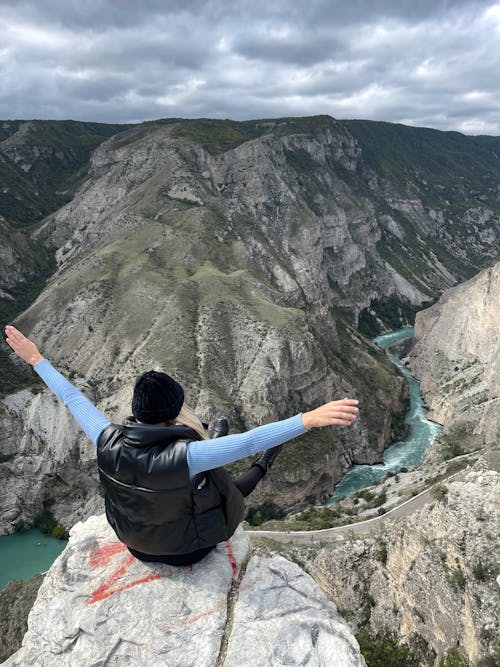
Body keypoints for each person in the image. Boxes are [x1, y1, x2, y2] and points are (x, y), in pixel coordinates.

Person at [4, 324, 359, 566]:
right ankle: (261, 462)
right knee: (223, 481)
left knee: (210, 459)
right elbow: (249, 441)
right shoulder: (187, 455)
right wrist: (307, 420)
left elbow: (72, 399)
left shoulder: (106, 437)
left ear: (137, 410)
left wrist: (37, 359)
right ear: (175, 412)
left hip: (135, 545)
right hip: (187, 551)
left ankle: (218, 436)